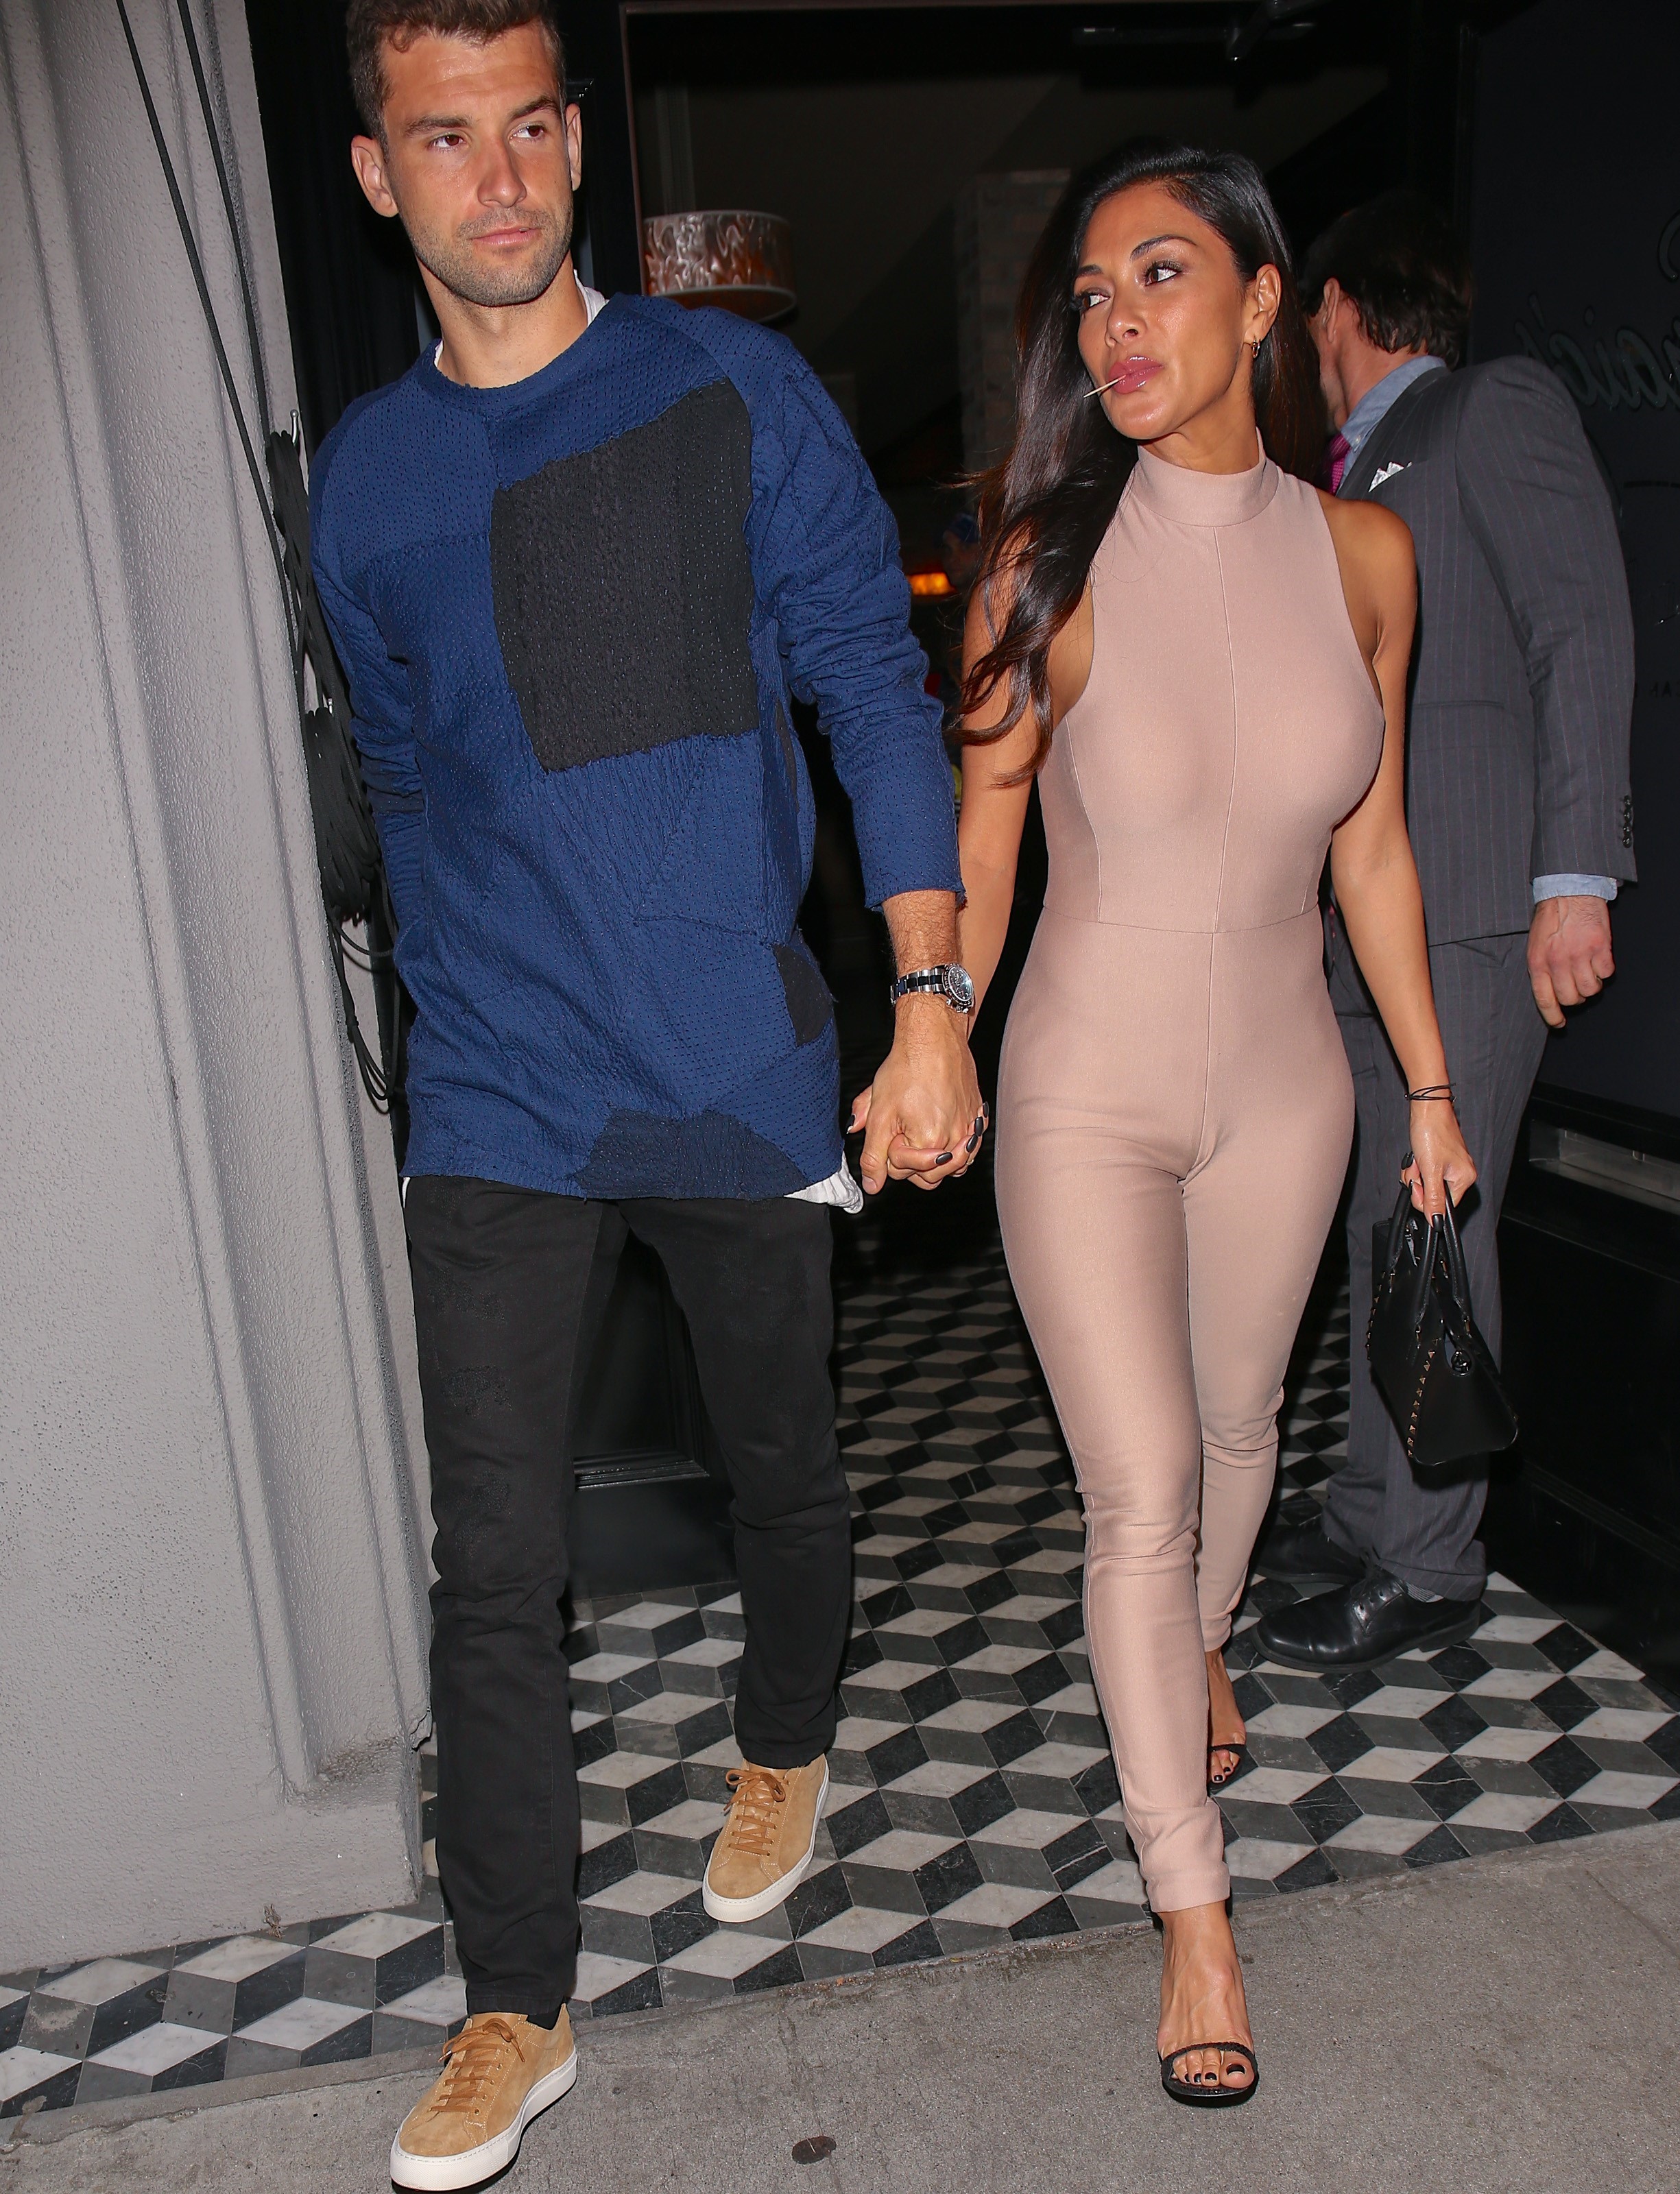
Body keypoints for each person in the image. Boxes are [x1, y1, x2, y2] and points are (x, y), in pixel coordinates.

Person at [314, 4, 983, 2184]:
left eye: (529, 127)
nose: (498, 178)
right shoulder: (366, 477)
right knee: (492, 1556)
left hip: (728, 1047)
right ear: (378, 176)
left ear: (576, 143)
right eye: (447, 139)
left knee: (777, 1455)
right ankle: (513, 1999)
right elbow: (403, 771)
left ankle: (783, 1736)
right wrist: (450, 1012)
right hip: (500, 1084)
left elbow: (868, 681)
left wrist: (927, 999)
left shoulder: (730, 390)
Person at [955, 143, 1474, 2106]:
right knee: (1143, 1489)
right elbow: (983, 846)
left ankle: (1193, 1650)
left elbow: (1374, 851)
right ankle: (1193, 1907)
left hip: (1287, 1082)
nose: (1115, 324)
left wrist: (1431, 1085)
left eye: (1157, 276)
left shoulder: (1366, 560)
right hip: (1084, 1082)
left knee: (1248, 1430)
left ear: (1263, 301)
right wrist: (934, 1031)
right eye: (1090, 297)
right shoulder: (1046, 563)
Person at [1255, 193, 1636, 1672]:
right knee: (1385, 1231)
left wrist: (1573, 877)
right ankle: (1371, 1511)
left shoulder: (1487, 411)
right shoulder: (1341, 473)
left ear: (1339, 305)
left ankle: (1426, 1565)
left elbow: (1579, 628)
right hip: (1367, 921)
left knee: (1434, 1224)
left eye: (1306, 314)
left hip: (1473, 904)